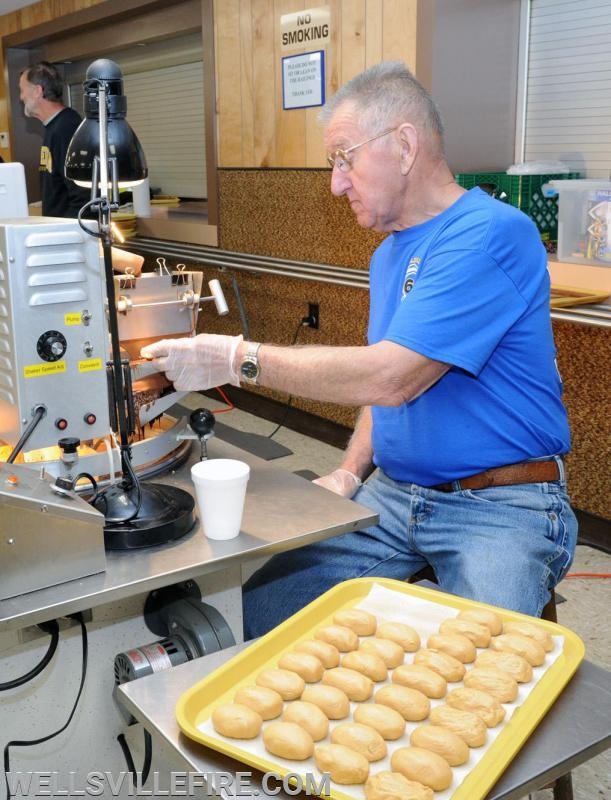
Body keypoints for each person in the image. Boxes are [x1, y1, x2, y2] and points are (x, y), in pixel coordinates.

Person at [141, 61, 577, 638]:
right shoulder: (389, 255)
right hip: (396, 497)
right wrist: (349, 472)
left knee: (483, 676)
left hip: (500, 507)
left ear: (403, 145)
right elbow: (383, 389)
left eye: (344, 158)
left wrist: (234, 357)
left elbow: (393, 377)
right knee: (251, 618)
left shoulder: (494, 233)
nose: (335, 182)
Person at [19, 60, 91, 218]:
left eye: (22, 90)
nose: (21, 97)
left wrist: (65, 234)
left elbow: (82, 194)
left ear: (38, 91)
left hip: (68, 234)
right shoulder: (54, 127)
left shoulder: (66, 128)